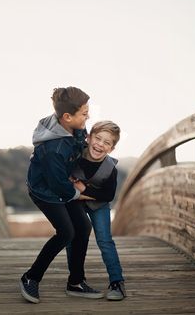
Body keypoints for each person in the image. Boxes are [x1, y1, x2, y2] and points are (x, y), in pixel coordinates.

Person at [20, 87, 104, 303]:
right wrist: (78, 194)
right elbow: (57, 185)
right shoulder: (53, 148)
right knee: (66, 232)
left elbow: (76, 153)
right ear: (67, 117)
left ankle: (75, 282)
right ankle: (31, 277)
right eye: (84, 114)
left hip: (63, 183)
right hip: (45, 191)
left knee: (83, 227)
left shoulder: (73, 126)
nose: (88, 117)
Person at [67, 121, 126, 301]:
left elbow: (108, 195)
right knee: (74, 236)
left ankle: (117, 281)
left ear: (112, 148)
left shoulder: (110, 169)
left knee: (105, 240)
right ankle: (76, 279)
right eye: (98, 138)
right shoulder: (75, 154)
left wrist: (84, 190)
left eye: (107, 142)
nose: (100, 144)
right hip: (75, 202)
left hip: (99, 205)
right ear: (89, 137)